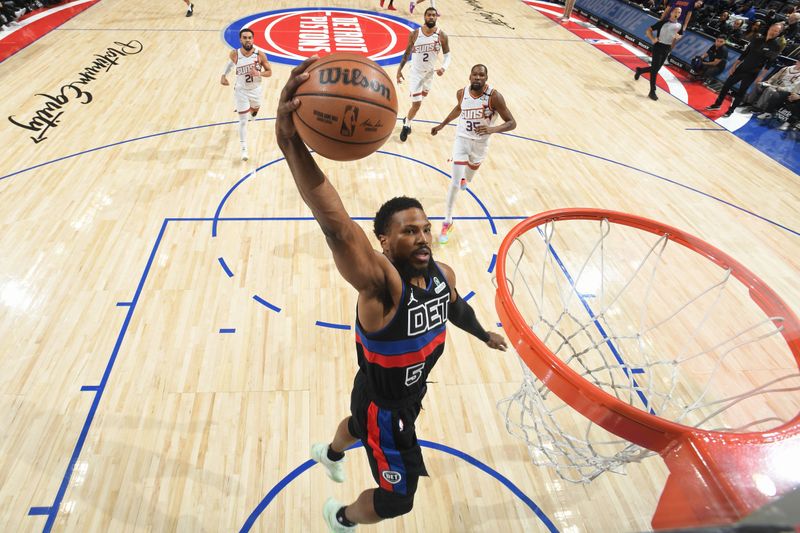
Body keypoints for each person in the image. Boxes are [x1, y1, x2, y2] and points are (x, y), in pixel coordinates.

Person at [275, 57, 509, 533]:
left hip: (387, 391)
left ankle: (331, 451)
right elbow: (338, 228)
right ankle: (340, 517)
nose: (421, 237)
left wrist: (483, 333)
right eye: (407, 231)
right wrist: (290, 144)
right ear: (384, 242)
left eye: (425, 228)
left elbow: (454, 307)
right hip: (389, 408)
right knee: (398, 500)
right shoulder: (383, 286)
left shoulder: (442, 272)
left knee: (355, 424)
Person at [430, 64, 517, 244]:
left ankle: (466, 179)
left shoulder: (495, 97)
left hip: (480, 145)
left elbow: (512, 122)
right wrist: (442, 125)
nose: (477, 78)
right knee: (454, 184)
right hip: (461, 140)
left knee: (467, 179)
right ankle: (448, 221)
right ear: (469, 76)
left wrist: (492, 129)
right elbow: (458, 108)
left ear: (486, 78)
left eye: (481, 75)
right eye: (475, 74)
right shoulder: (461, 93)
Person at [706, 22, 785, 117]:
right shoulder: (757, 39)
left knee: (741, 92)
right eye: (773, 29)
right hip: (742, 67)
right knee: (726, 85)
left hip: (753, 72)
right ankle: (717, 104)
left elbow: (769, 64)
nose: (774, 32)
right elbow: (745, 53)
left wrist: (760, 77)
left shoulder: (776, 46)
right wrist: (734, 65)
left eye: (776, 31)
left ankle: (730, 111)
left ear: (778, 33)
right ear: (769, 28)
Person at [396, 8, 451, 142]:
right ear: (425, 17)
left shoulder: (441, 35)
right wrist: (399, 70)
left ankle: (407, 118)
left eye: (433, 15)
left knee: (422, 98)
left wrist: (443, 67)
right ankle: (406, 125)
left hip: (429, 74)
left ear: (436, 17)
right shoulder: (415, 34)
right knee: (417, 104)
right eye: (429, 15)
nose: (431, 17)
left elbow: (447, 55)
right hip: (415, 73)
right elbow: (407, 53)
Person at [220, 28, 272, 161]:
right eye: (245, 37)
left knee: (255, 109)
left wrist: (259, 73)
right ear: (240, 39)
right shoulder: (234, 54)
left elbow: (269, 72)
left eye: (250, 38)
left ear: (253, 39)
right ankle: (244, 149)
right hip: (241, 90)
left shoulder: (260, 55)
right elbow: (231, 64)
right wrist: (223, 75)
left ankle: (253, 113)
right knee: (243, 121)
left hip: (255, 90)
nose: (247, 40)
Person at [634, 7, 683, 101]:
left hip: (667, 48)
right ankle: (652, 91)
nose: (677, 13)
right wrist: (653, 39)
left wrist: (678, 38)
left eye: (679, 12)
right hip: (658, 46)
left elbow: (679, 35)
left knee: (656, 69)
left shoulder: (679, 26)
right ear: (671, 13)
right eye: (676, 11)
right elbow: (648, 30)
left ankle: (640, 70)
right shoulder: (663, 23)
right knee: (655, 70)